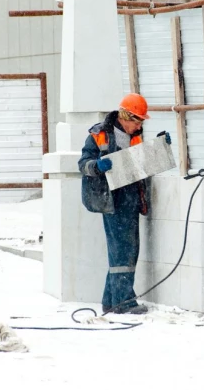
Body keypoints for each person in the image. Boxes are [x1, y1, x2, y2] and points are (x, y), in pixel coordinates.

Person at [78, 93, 171, 315]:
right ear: (124, 116)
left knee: (127, 251)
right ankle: (124, 302)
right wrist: (96, 166)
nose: (138, 126)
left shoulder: (136, 135)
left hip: (130, 198)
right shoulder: (99, 134)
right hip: (111, 200)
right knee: (122, 252)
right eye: (136, 121)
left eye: (141, 122)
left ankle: (111, 301)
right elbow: (83, 164)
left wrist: (160, 146)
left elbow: (142, 162)